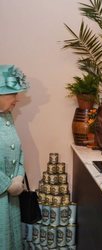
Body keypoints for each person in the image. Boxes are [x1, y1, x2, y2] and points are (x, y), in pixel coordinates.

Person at [0, 65, 29, 249]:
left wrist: (19, 176)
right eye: (13, 94)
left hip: (11, 199)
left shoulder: (7, 116)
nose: (17, 100)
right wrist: (6, 184)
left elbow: (18, 150)